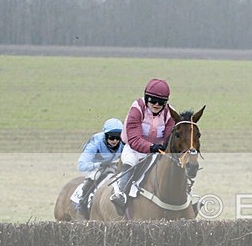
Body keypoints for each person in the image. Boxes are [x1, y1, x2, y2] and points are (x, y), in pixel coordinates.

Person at [110, 78, 176, 213]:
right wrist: (151, 147)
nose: (157, 104)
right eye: (153, 100)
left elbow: (169, 136)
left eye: (161, 102)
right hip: (134, 148)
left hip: (158, 150)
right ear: (146, 97)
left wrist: (162, 147)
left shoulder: (170, 113)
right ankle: (121, 193)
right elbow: (134, 139)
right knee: (131, 160)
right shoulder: (137, 108)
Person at [72, 118, 125, 216]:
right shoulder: (95, 143)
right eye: (111, 137)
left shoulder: (123, 142)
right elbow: (81, 165)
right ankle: (82, 202)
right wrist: (99, 165)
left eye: (118, 137)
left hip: (112, 165)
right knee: (94, 176)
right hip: (93, 166)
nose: (115, 141)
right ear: (105, 135)